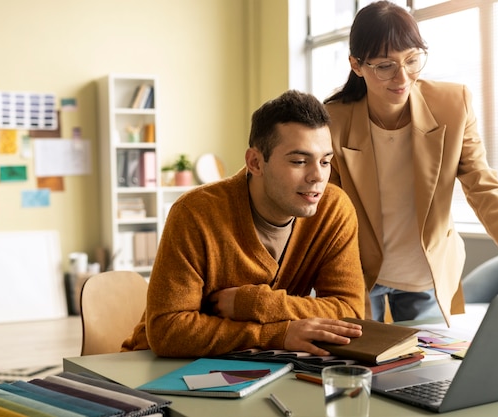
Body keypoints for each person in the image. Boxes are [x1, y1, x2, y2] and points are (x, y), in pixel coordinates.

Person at [324, 1, 498, 325]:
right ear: (356, 64)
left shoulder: (453, 104)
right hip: (359, 272)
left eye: (412, 59)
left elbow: (479, 179)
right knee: (364, 369)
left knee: (434, 368)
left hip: (429, 274)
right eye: (385, 66)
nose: (402, 76)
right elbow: (327, 208)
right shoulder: (332, 121)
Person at [122, 90, 366, 357]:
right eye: (299, 161)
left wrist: (253, 303)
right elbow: (168, 331)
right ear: (255, 162)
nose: (318, 176)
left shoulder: (333, 209)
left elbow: (350, 313)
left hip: (260, 368)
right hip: (159, 369)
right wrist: (275, 335)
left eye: (325, 161)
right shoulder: (195, 213)